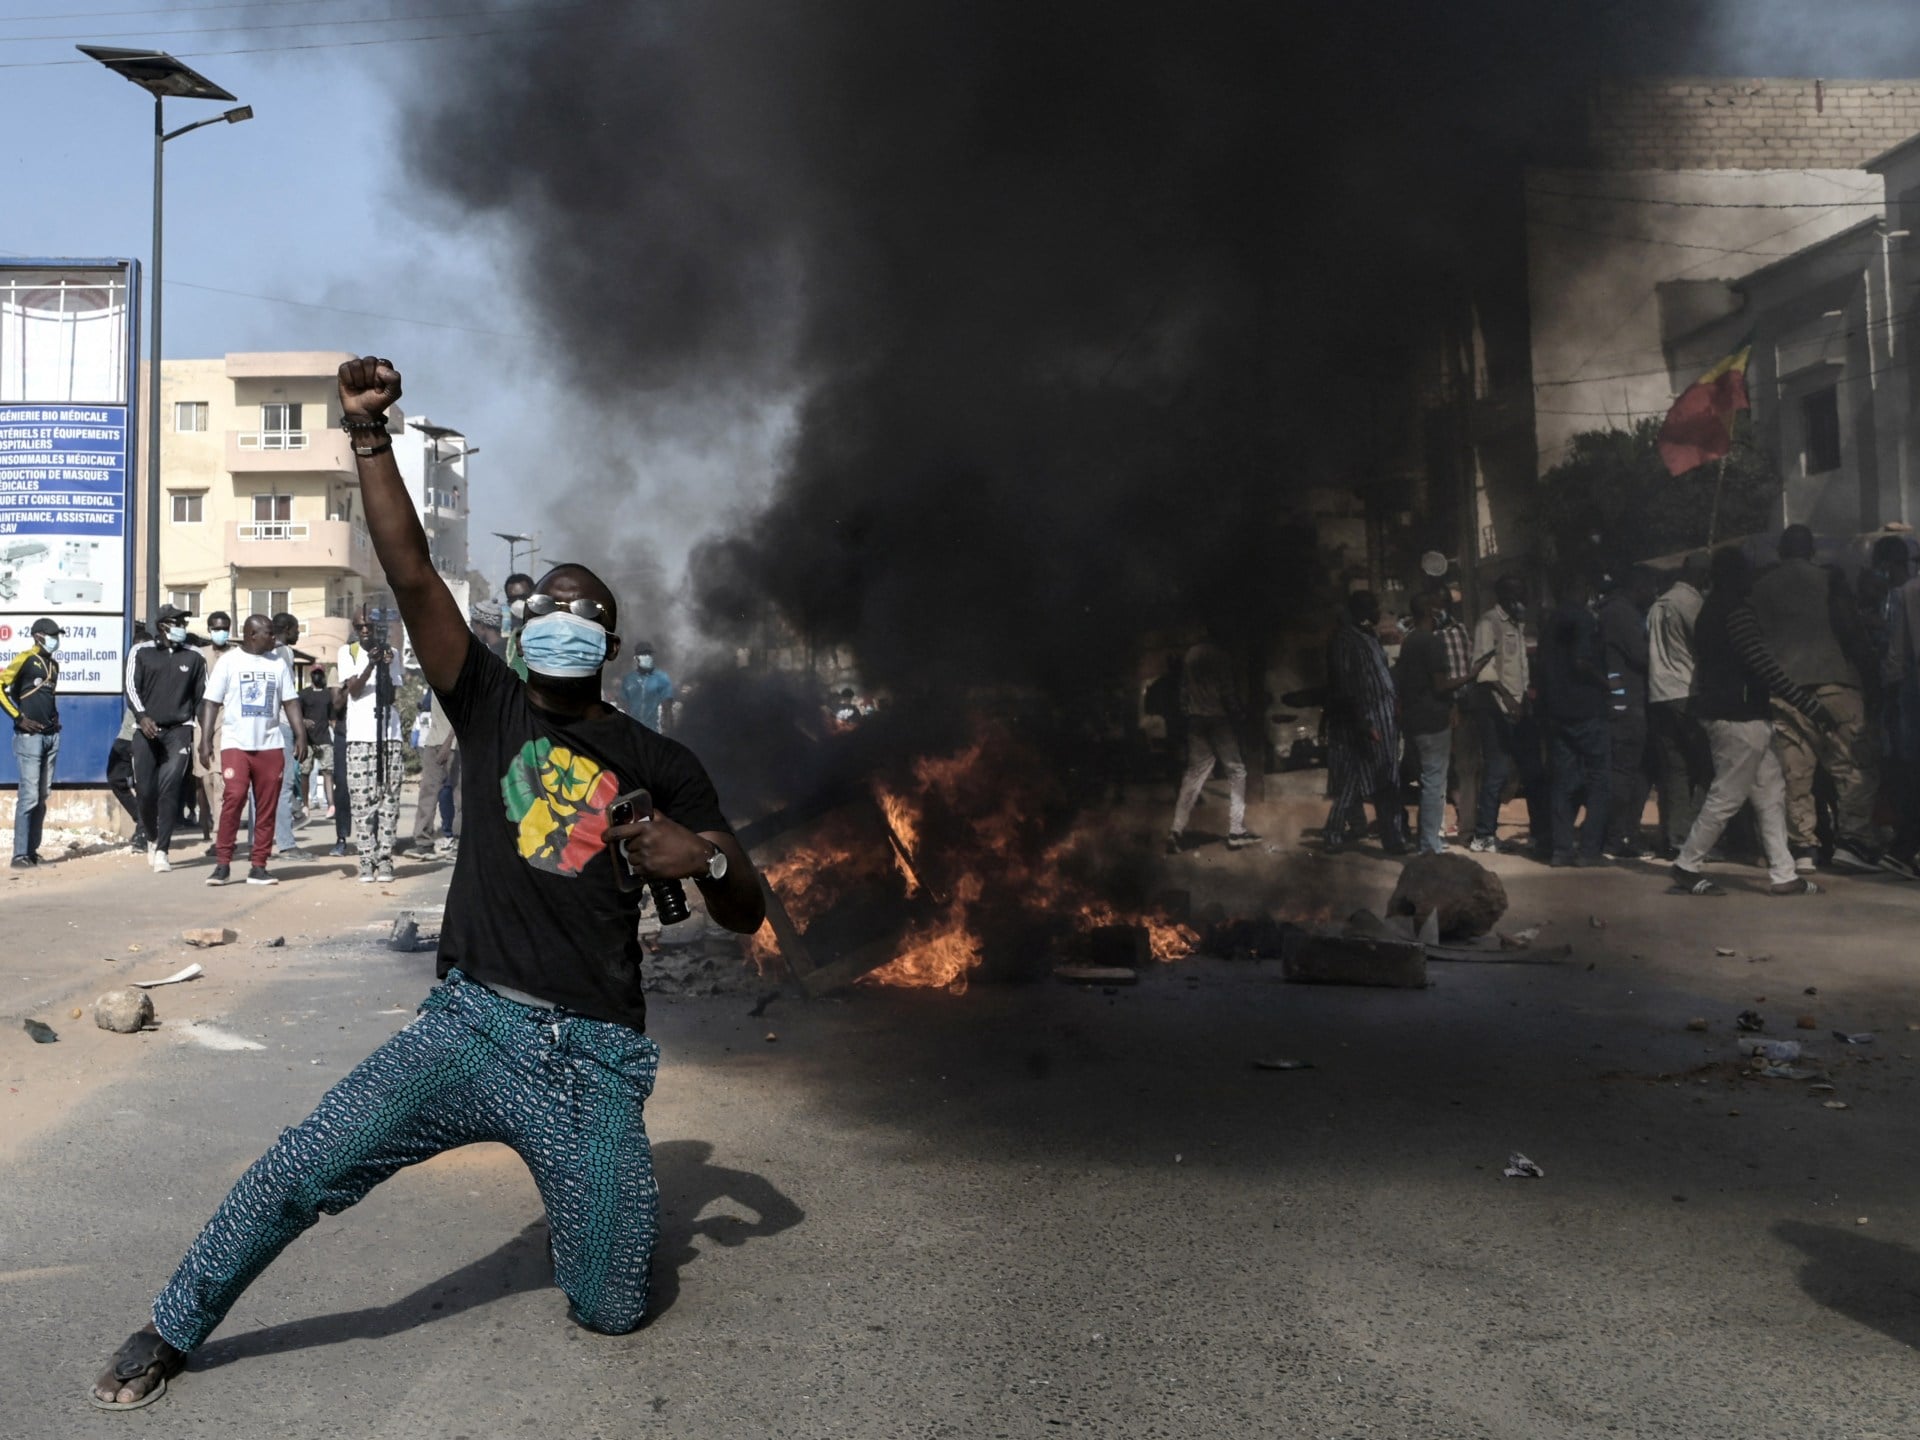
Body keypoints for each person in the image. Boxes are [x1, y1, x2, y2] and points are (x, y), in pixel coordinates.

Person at [91, 355, 767, 1409]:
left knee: (615, 1305)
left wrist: (709, 856)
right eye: (546, 607)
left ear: (612, 644)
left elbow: (747, 906)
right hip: (468, 1027)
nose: (560, 620)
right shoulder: (489, 700)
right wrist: (367, 434)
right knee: (302, 1168)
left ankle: (586, 1211)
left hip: (591, 1055)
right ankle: (171, 1327)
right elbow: (409, 574)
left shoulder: (662, 764)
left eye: (581, 613)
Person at [1670, 547, 1827, 897]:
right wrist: (1809, 706)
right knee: (1727, 795)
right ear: (1737, 576)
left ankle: (1784, 872)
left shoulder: (1711, 610)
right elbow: (1763, 666)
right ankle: (1687, 864)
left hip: (1731, 714)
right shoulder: (1736, 613)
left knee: (1770, 793)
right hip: (1740, 717)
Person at [1749, 524, 1878, 872]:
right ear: (1811, 551)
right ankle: (1852, 842)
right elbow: (1851, 632)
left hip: (1785, 691)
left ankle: (1803, 848)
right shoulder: (1830, 581)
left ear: (1780, 552)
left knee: (1795, 773)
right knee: (1852, 766)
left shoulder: (1761, 588)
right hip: (1837, 683)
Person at [197, 615, 308, 886]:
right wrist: (206, 739)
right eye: (268, 633)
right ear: (252, 634)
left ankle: (259, 865)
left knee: (267, 806)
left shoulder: (278, 663)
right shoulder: (229, 662)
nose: (274, 638)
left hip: (270, 745)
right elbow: (211, 702)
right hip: (236, 743)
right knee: (233, 798)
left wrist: (301, 734)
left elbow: (290, 702)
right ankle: (223, 864)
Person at [1395, 589, 1488, 855]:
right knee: (1435, 784)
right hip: (1433, 719)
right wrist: (1471, 675)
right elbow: (1441, 685)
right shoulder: (1432, 642)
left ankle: (1429, 838)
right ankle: (1430, 844)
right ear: (1431, 612)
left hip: (1415, 719)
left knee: (1429, 781)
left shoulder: (1409, 641)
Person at [1467, 575, 1549, 855]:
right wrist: (1505, 697)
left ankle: (1540, 834)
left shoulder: (1518, 624)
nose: (1522, 600)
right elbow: (1482, 667)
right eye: (1517, 594)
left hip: (1520, 708)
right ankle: (1484, 835)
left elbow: (1520, 668)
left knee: (1533, 771)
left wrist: (1525, 698)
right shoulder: (1488, 622)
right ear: (1504, 596)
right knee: (1497, 771)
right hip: (1495, 710)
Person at [125, 604, 207, 874]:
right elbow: (130, 687)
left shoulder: (194, 657)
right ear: (163, 625)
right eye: (179, 622)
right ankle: (150, 836)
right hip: (146, 730)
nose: (183, 627)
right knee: (146, 791)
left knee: (170, 788)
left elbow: (202, 699)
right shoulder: (141, 652)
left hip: (179, 730)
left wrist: (203, 734)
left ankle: (163, 849)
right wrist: (142, 716)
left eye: (185, 623)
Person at [1537, 571, 1610, 866]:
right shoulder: (1583, 619)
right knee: (1598, 781)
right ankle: (1589, 850)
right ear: (1581, 588)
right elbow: (1581, 662)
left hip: (1556, 712)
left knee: (1562, 782)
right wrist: (1606, 684)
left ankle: (1561, 849)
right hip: (1586, 710)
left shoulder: (1550, 622)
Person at [1323, 591, 1404, 854]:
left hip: (1386, 719)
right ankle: (1334, 832)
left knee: (1386, 780)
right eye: (1373, 605)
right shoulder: (1345, 640)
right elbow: (1345, 685)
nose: (1378, 610)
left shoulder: (1370, 636)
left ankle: (1392, 838)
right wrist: (1362, 723)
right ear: (1360, 609)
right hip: (1366, 720)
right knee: (1357, 781)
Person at [1167, 631, 1257, 853]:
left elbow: (1183, 693)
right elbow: (1228, 692)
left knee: (1193, 776)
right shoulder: (1221, 656)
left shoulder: (1190, 655)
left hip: (1196, 721)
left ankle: (1176, 830)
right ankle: (1236, 831)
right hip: (1218, 720)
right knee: (1237, 772)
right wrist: (1240, 714)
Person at [1646, 554, 1710, 859]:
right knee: (1706, 769)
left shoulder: (1657, 605)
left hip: (1659, 694)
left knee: (1675, 771)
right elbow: (1705, 644)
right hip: (1687, 691)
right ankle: (1699, 839)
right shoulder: (1691, 602)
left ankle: (1675, 838)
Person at [336, 608, 406, 884]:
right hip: (359, 736)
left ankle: (385, 859)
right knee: (361, 802)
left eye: (370, 626)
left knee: (390, 800)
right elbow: (352, 690)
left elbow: (390, 697)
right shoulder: (348, 652)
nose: (365, 630)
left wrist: (385, 665)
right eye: (360, 626)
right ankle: (366, 859)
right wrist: (370, 664)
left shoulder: (393, 654)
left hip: (390, 734)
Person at [1599, 566, 1659, 858]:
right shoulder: (1622, 613)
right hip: (1627, 701)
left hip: (1623, 699)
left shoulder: (1612, 610)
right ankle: (1619, 837)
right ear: (1638, 586)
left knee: (1631, 770)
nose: (1654, 594)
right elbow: (1643, 655)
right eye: (1651, 588)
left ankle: (1621, 833)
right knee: (1625, 771)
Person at [2, 617, 63, 868]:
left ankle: (32, 851)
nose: (56, 639)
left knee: (42, 794)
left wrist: (54, 717)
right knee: (28, 796)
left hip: (51, 735)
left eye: (57, 635)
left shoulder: (54, 664)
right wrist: (19, 717)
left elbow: (46, 696)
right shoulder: (26, 658)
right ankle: (19, 855)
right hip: (29, 738)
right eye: (51, 635)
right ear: (38, 636)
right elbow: (3, 686)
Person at [191, 612, 237, 851]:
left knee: (222, 778)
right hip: (201, 719)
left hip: (227, 718)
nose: (222, 632)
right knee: (206, 777)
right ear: (209, 629)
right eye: (217, 628)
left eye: (225, 628)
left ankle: (222, 835)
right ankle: (212, 827)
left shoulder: (236, 656)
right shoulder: (199, 655)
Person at [411, 689, 460, 856]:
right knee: (427, 792)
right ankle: (423, 842)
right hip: (433, 741)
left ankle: (460, 841)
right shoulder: (433, 680)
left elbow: (461, 711)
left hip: (454, 744)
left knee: (459, 796)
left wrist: (448, 743)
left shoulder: (458, 676)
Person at [297, 669, 335, 817]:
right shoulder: (303, 694)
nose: (318, 676)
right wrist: (303, 722)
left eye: (320, 674)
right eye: (315, 674)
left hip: (324, 739)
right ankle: (306, 805)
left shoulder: (328, 695)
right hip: (308, 740)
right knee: (305, 772)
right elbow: (296, 714)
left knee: (328, 772)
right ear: (311, 677)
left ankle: (331, 805)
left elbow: (332, 719)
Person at [620, 643, 675, 733]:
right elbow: (624, 706)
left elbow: (667, 708)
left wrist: (669, 732)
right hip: (633, 732)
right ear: (636, 657)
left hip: (654, 731)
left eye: (649, 654)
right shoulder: (629, 679)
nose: (647, 657)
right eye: (643, 654)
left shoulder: (661, 678)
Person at [501, 571, 535, 680]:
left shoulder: (545, 630)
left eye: (523, 597)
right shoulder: (515, 634)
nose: (518, 604)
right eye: (513, 599)